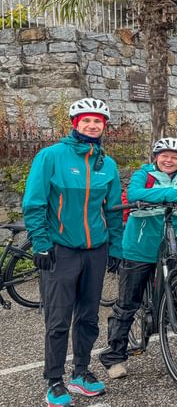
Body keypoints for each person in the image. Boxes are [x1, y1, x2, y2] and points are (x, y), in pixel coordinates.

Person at [22, 98, 123, 406]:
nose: (92, 125)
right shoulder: (51, 156)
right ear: (75, 123)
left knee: (88, 317)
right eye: (86, 120)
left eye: (98, 121)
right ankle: (54, 380)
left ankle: (80, 373)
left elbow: (113, 210)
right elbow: (34, 203)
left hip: (96, 251)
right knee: (58, 319)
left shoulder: (107, 164)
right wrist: (40, 243)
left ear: (104, 126)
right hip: (60, 250)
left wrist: (116, 247)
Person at [100, 137, 177, 380]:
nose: (169, 160)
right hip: (140, 246)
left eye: (175, 157)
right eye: (165, 156)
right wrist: (169, 193)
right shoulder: (144, 173)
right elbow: (134, 193)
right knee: (128, 303)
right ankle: (115, 357)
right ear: (156, 157)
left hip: (171, 243)